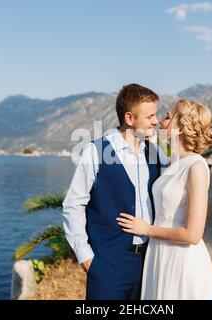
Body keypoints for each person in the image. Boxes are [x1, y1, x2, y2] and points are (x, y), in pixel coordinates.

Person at [62, 83, 168, 300]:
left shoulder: (154, 153)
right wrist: (88, 260)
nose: (156, 121)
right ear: (130, 119)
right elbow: (73, 205)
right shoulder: (94, 152)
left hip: (149, 263)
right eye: (150, 117)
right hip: (108, 267)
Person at [117, 99, 212, 299]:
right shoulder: (172, 163)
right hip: (159, 253)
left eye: (167, 117)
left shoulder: (196, 167)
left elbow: (193, 235)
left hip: (181, 259)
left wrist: (146, 229)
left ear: (180, 127)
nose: (160, 122)